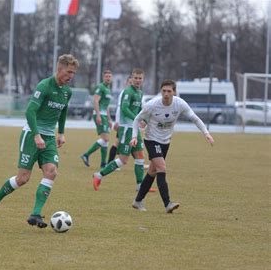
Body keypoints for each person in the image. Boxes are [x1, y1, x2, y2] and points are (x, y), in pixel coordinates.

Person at [0, 54, 79, 228]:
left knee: (52, 171)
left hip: (49, 137)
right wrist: (36, 135)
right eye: (68, 72)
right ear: (59, 69)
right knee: (23, 179)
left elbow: (63, 111)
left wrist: (61, 133)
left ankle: (35, 214)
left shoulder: (67, 91)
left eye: (73, 73)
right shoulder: (44, 86)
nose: (71, 76)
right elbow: (30, 112)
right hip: (31, 135)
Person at [130, 79, 214, 213]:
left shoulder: (179, 104)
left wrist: (206, 133)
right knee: (162, 167)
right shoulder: (152, 105)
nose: (166, 94)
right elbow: (137, 120)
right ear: (160, 91)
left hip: (165, 141)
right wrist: (134, 137)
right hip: (151, 139)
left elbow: (195, 118)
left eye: (169, 91)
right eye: (164, 91)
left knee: (153, 171)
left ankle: (138, 201)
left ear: (174, 92)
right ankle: (167, 203)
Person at [92, 68, 148, 192]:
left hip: (134, 129)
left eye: (140, 78)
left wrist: (144, 120)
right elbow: (124, 109)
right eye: (135, 78)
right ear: (131, 79)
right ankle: (98, 175)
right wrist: (137, 120)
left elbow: (139, 110)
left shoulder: (140, 93)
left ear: (143, 79)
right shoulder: (128, 91)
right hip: (126, 129)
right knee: (123, 160)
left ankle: (140, 186)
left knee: (140, 156)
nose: (138, 80)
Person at [80, 70, 113, 168]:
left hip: (104, 116)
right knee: (105, 138)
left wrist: (109, 119)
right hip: (99, 115)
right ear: (103, 77)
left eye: (109, 76)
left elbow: (106, 105)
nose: (108, 78)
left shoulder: (108, 88)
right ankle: (86, 154)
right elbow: (95, 101)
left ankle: (103, 164)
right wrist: (98, 115)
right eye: (106, 76)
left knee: (106, 140)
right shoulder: (101, 87)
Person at [107, 75, 132, 163]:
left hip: (128, 123)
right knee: (117, 142)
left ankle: (139, 161)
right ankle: (110, 163)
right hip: (123, 123)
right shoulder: (125, 92)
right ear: (126, 83)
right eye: (130, 82)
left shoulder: (133, 92)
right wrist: (117, 122)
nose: (131, 84)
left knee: (121, 142)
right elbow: (119, 108)